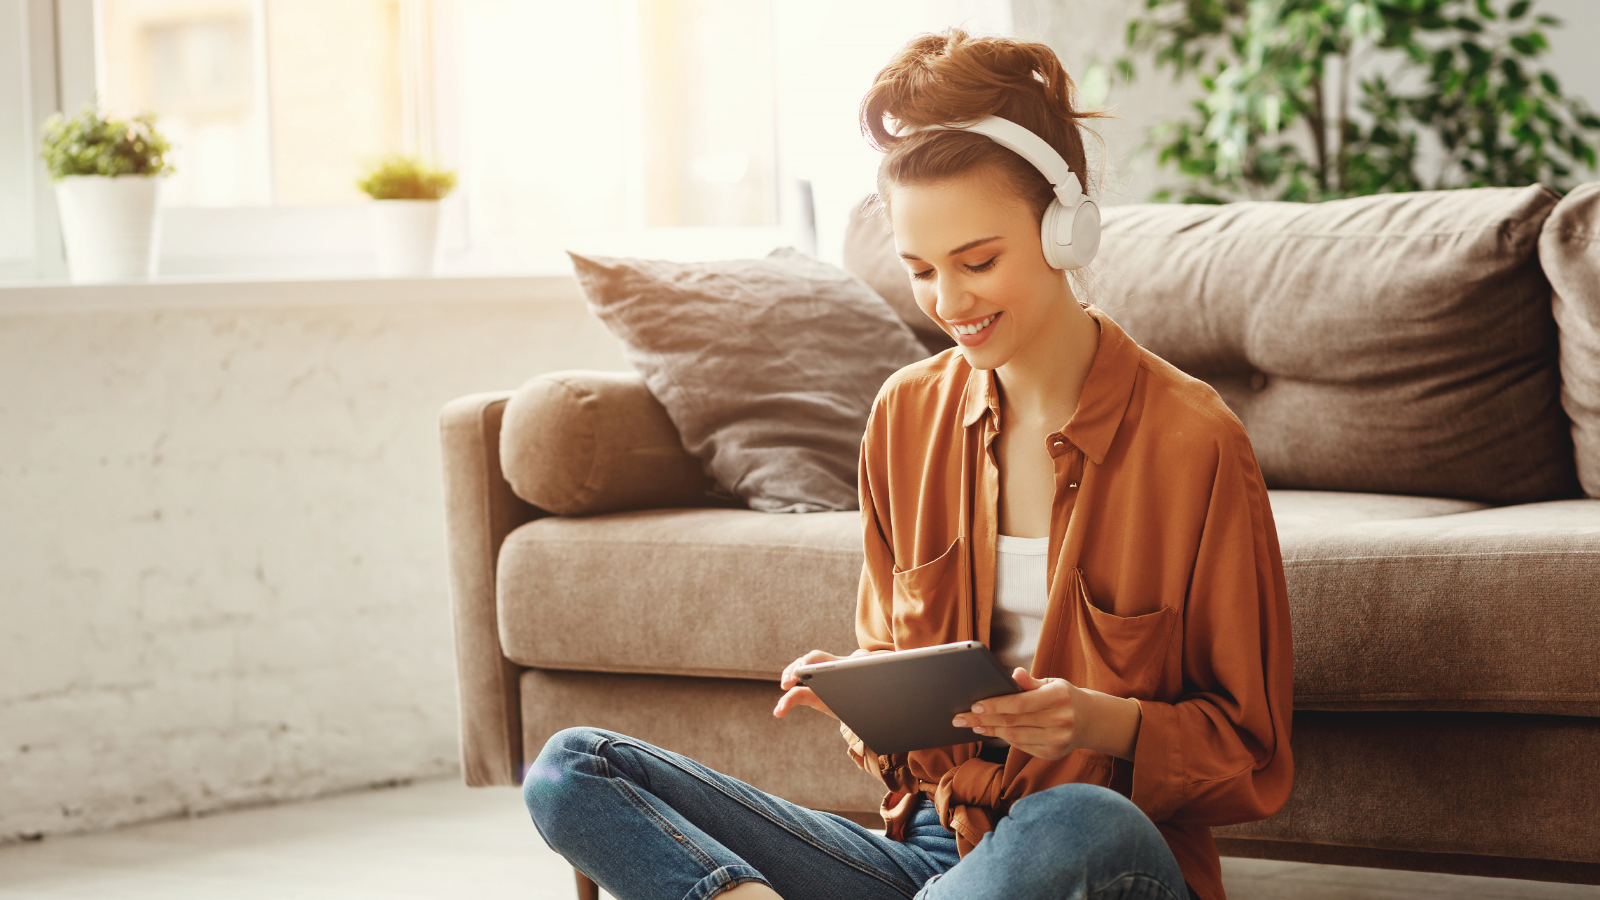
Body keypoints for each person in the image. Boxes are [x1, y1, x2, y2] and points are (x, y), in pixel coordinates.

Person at [523, 28, 1293, 900]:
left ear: (1066, 230)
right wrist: (864, 698)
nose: (949, 303)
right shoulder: (905, 416)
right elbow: (903, 722)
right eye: (921, 270)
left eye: (978, 261)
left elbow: (1251, 756)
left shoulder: (1195, 439)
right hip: (935, 851)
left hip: (1093, 848)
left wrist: (1095, 721)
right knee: (573, 771)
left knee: (1079, 817)